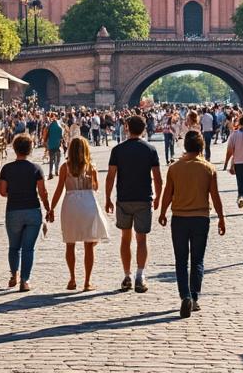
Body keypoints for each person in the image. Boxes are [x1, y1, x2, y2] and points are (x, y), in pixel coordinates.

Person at [158, 131, 226, 318]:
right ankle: (194, 297)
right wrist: (221, 217)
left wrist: (163, 212)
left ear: (185, 146)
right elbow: (215, 196)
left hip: (179, 218)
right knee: (197, 260)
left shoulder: (174, 168)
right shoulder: (208, 168)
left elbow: (167, 194)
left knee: (181, 260)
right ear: (201, 146)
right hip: (201, 219)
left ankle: (184, 296)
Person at [105, 115, 163, 293]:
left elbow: (110, 176)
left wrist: (107, 198)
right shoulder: (150, 150)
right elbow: (158, 179)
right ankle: (140, 275)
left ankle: (127, 275)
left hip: (124, 199)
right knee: (142, 239)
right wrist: (158, 198)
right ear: (144, 129)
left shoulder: (117, 150)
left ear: (127, 128)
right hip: (144, 198)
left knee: (125, 238)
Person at [50, 136, 110, 290]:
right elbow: (96, 188)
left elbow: (58, 190)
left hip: (70, 204)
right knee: (89, 245)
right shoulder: (91, 167)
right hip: (88, 204)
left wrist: (51, 208)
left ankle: (72, 279)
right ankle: (87, 281)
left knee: (70, 243)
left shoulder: (65, 167)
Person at [0, 133, 51, 292]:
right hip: (32, 211)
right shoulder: (36, 168)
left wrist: (14, 193)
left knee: (14, 247)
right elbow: (43, 192)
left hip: (13, 210)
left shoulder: (7, 169)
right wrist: (48, 209)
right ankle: (25, 280)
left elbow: (2, 191)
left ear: (14, 149)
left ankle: (13, 275)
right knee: (28, 248)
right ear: (30, 149)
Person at [42, 113, 64, 179]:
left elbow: (46, 135)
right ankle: (57, 170)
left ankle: (50, 172)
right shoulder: (59, 127)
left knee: (51, 160)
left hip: (51, 145)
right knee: (58, 158)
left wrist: (45, 142)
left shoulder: (49, 126)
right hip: (57, 145)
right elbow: (61, 137)